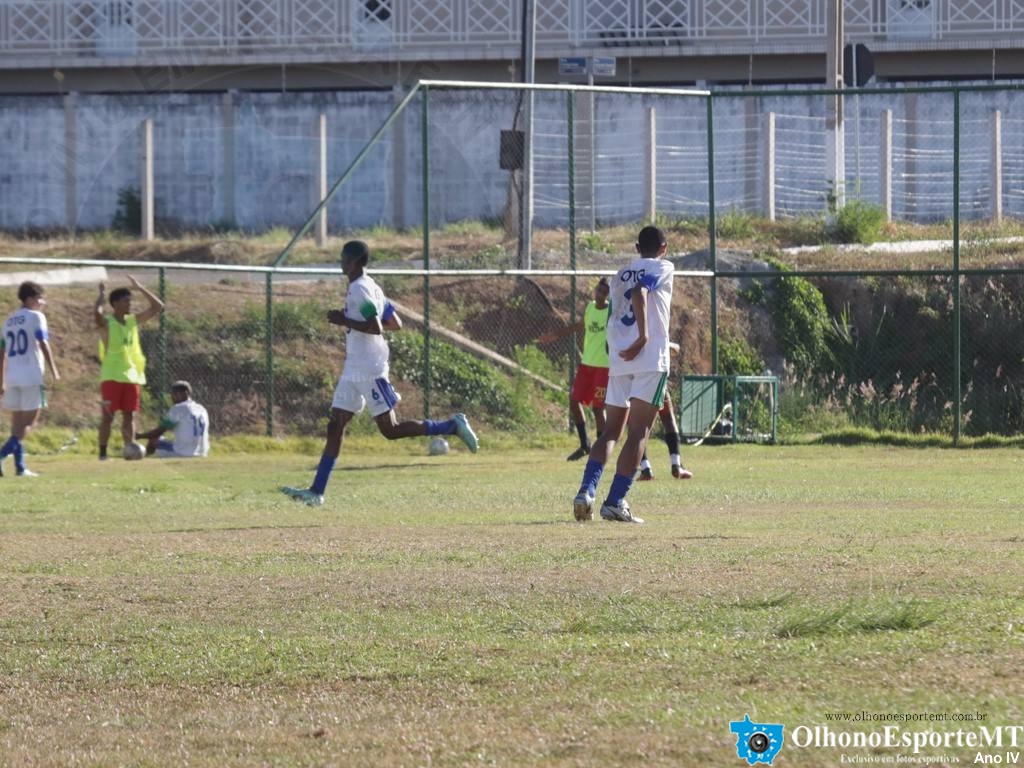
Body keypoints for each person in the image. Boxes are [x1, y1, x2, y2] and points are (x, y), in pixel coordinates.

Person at [281, 240, 479, 507]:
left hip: (369, 370)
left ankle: (451, 426)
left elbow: (376, 327)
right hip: (354, 368)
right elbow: (394, 322)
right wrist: (356, 322)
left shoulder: (360, 289)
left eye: (343, 258)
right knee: (335, 425)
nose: (341, 262)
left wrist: (344, 320)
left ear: (354, 261)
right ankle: (316, 492)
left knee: (391, 430)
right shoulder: (371, 286)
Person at [572, 225, 674, 524]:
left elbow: (615, 313)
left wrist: (618, 348)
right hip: (648, 358)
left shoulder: (619, 274)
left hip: (619, 359)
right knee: (639, 431)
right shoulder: (663, 267)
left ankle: (586, 491)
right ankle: (615, 501)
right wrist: (644, 336)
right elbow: (641, 292)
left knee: (610, 432)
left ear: (636, 247)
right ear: (664, 248)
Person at [538, 277, 610, 461]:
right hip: (587, 365)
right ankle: (585, 444)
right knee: (574, 401)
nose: (600, 295)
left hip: (603, 367)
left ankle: (601, 449)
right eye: (599, 290)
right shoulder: (591, 307)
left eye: (604, 292)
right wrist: (555, 335)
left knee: (598, 408)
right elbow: (581, 326)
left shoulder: (611, 312)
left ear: (609, 295)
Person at [94, 275, 165, 460]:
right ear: (115, 304)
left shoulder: (132, 321)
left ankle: (130, 450)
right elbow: (97, 315)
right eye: (126, 300)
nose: (129, 304)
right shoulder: (108, 323)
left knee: (129, 416)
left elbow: (158, 306)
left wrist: (140, 287)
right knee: (108, 417)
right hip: (112, 375)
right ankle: (103, 454)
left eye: (130, 300)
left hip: (132, 376)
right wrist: (101, 296)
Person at [0, 281, 60, 477]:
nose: (43, 303)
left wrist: (1, 380)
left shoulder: (8, 320)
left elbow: (2, 353)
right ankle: (1, 455)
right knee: (28, 424)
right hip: (31, 374)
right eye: (40, 298)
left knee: (17, 424)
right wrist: (54, 369)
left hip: (12, 376)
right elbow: (43, 342)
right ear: (29, 299)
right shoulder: (36, 316)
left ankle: (20, 467)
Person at [637, 343, 693, 481]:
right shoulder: (654, 331)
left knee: (638, 425)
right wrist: (667, 345)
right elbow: (675, 348)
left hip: (639, 379)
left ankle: (646, 468)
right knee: (668, 418)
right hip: (656, 376)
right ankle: (676, 464)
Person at [138, 380, 210, 458]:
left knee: (154, 439)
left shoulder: (178, 408)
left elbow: (159, 432)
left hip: (183, 453)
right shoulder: (202, 409)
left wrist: (139, 436)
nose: (172, 397)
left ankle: (145, 457)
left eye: (174, 394)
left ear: (185, 394)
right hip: (202, 453)